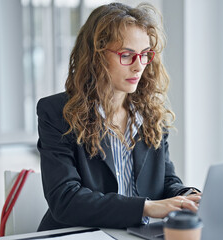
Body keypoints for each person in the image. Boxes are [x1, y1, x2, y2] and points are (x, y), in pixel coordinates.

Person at [36, 2, 201, 231]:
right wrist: (146, 207)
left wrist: (187, 197)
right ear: (96, 56)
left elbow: (166, 181)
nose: (138, 66)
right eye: (126, 55)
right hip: (80, 234)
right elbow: (65, 199)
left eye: (145, 55)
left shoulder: (150, 114)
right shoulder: (57, 113)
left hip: (133, 235)